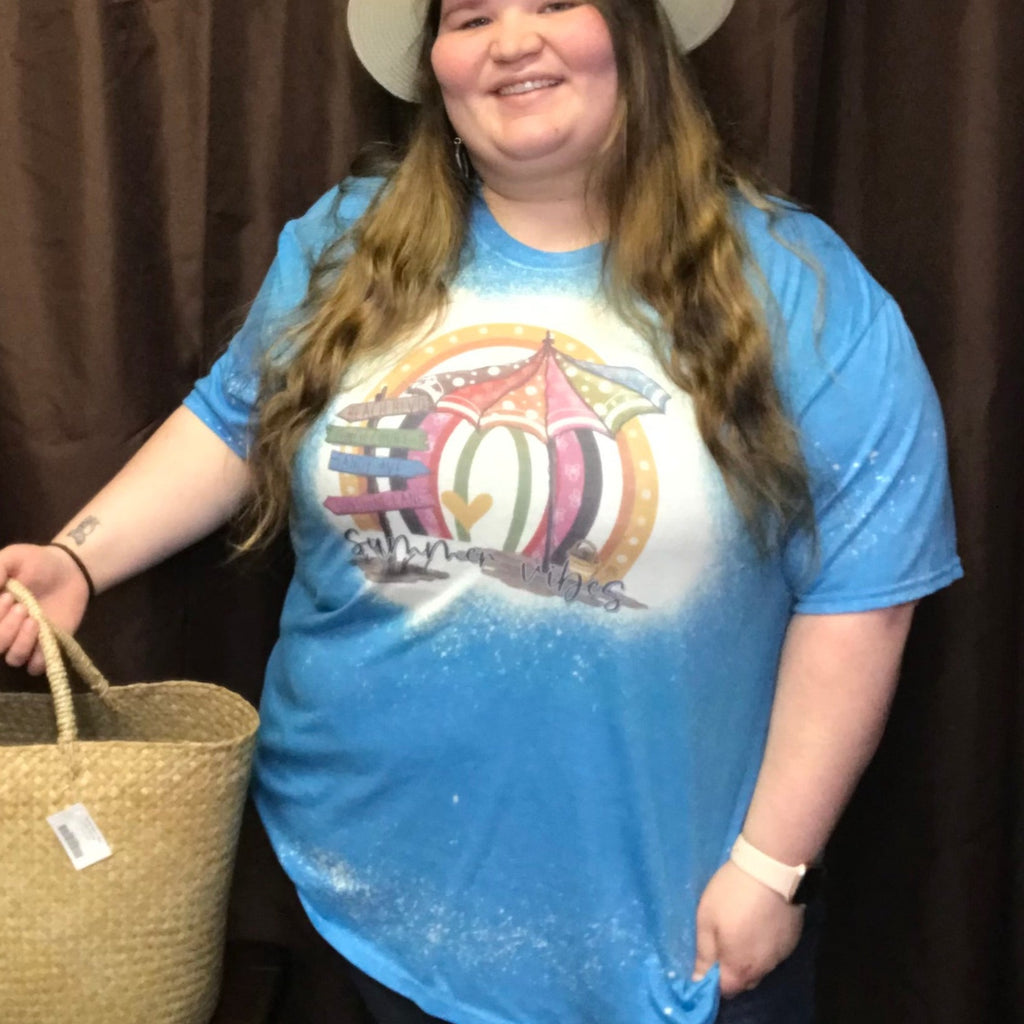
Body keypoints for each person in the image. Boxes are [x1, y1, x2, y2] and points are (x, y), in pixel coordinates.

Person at [0, 1, 962, 1022]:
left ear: (635, 32)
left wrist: (773, 866)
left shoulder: (802, 290)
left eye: (554, 2)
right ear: (436, 65)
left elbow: (864, 593)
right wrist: (80, 557)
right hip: (342, 886)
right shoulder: (346, 241)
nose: (511, 42)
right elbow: (235, 419)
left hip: (665, 928)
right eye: (471, 15)